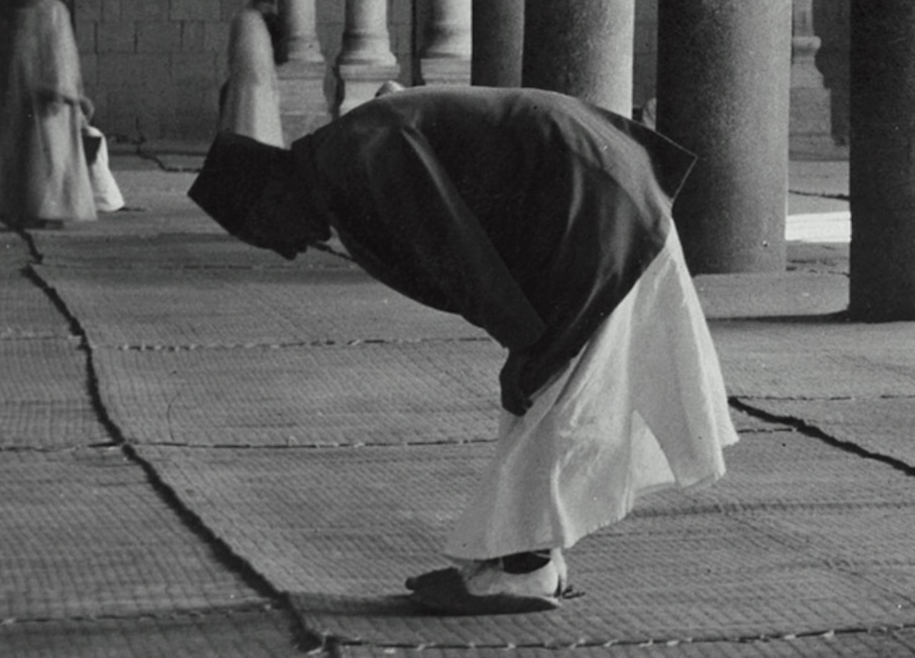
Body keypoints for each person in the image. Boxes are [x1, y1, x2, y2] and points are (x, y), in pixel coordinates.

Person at [191, 86, 734, 613]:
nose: (289, 251)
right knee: (551, 393)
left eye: (266, 235)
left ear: (269, 197)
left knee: (550, 390)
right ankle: (527, 559)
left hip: (593, 207)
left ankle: (526, 571)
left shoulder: (354, 156)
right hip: (598, 192)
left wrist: (526, 343)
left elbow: (455, 249)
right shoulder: (345, 153)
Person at [0, 0, 96, 227]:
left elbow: (62, 53)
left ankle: (51, 210)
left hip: (49, 94)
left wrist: (59, 89)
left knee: (51, 151)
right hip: (21, 91)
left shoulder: (54, 10)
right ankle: (24, 207)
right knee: (23, 151)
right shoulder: (15, 12)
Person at [217, 0, 284, 145]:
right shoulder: (247, 19)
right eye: (265, 6)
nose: (267, 10)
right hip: (251, 78)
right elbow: (245, 52)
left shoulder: (258, 20)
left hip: (258, 79)